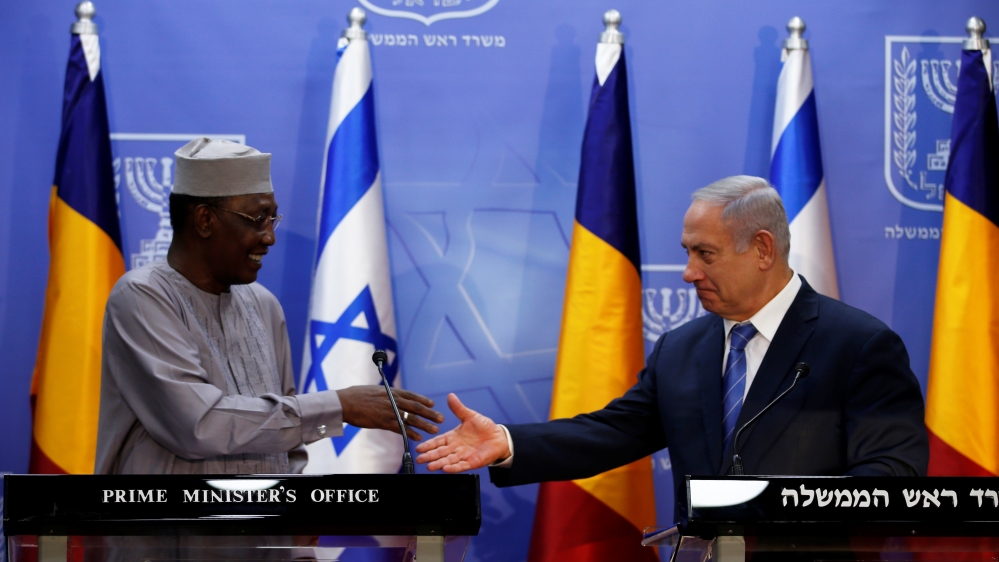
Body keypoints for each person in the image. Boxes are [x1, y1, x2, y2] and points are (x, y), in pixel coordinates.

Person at [415, 175, 928, 522]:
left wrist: (775, 512)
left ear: (764, 250)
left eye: (706, 254)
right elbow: (612, 433)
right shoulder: (683, 349)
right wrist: (507, 441)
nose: (689, 273)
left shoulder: (859, 346)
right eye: (687, 253)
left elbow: (890, 481)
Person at [95, 137, 441, 474]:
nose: (269, 237)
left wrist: (297, 508)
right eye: (257, 219)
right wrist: (339, 406)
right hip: (169, 528)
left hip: (268, 529)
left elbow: (287, 436)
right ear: (204, 220)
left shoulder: (262, 304)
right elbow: (197, 426)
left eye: (273, 219)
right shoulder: (142, 298)